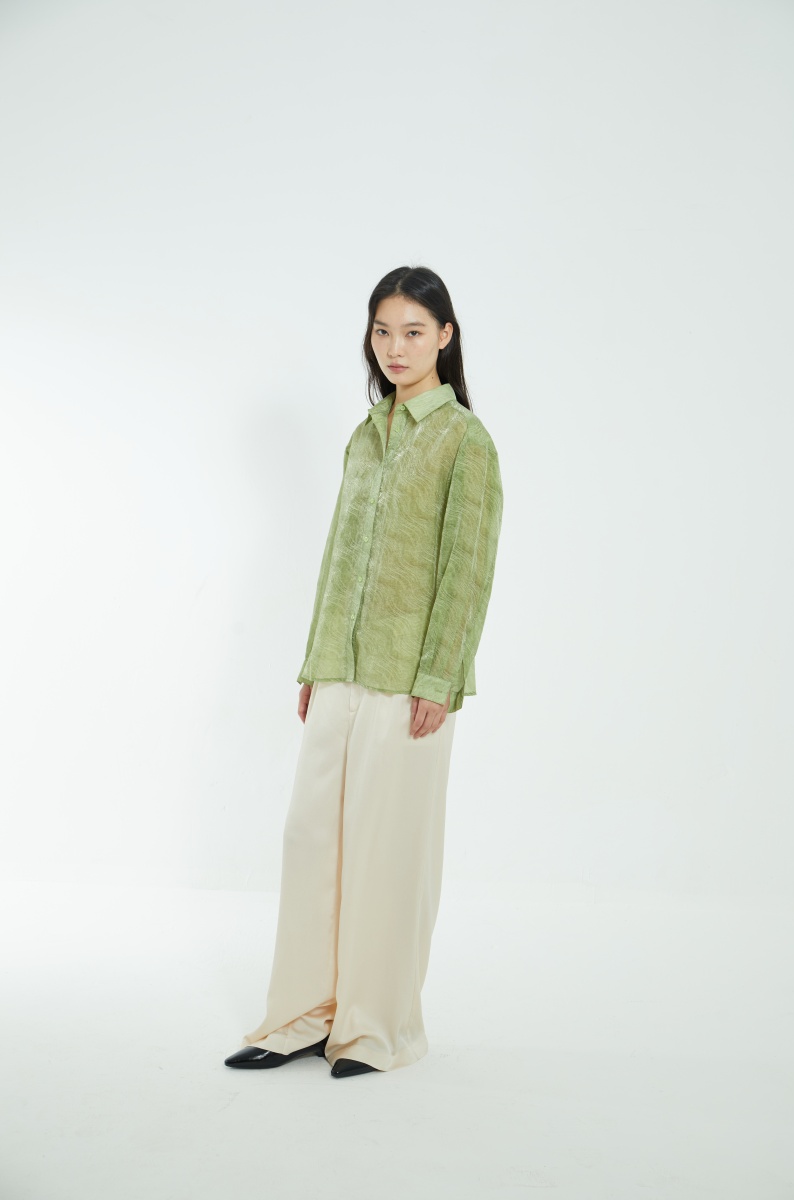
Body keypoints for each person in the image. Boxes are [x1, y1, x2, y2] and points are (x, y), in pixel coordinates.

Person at [224, 264, 503, 1079]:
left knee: (387, 854)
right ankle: (302, 1017)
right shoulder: (366, 433)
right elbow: (338, 556)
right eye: (383, 331)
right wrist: (316, 661)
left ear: (445, 336)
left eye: (413, 331)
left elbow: (467, 571)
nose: (395, 347)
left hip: (408, 681)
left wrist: (439, 678)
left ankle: (375, 1028)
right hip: (339, 671)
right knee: (311, 841)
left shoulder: (465, 442)